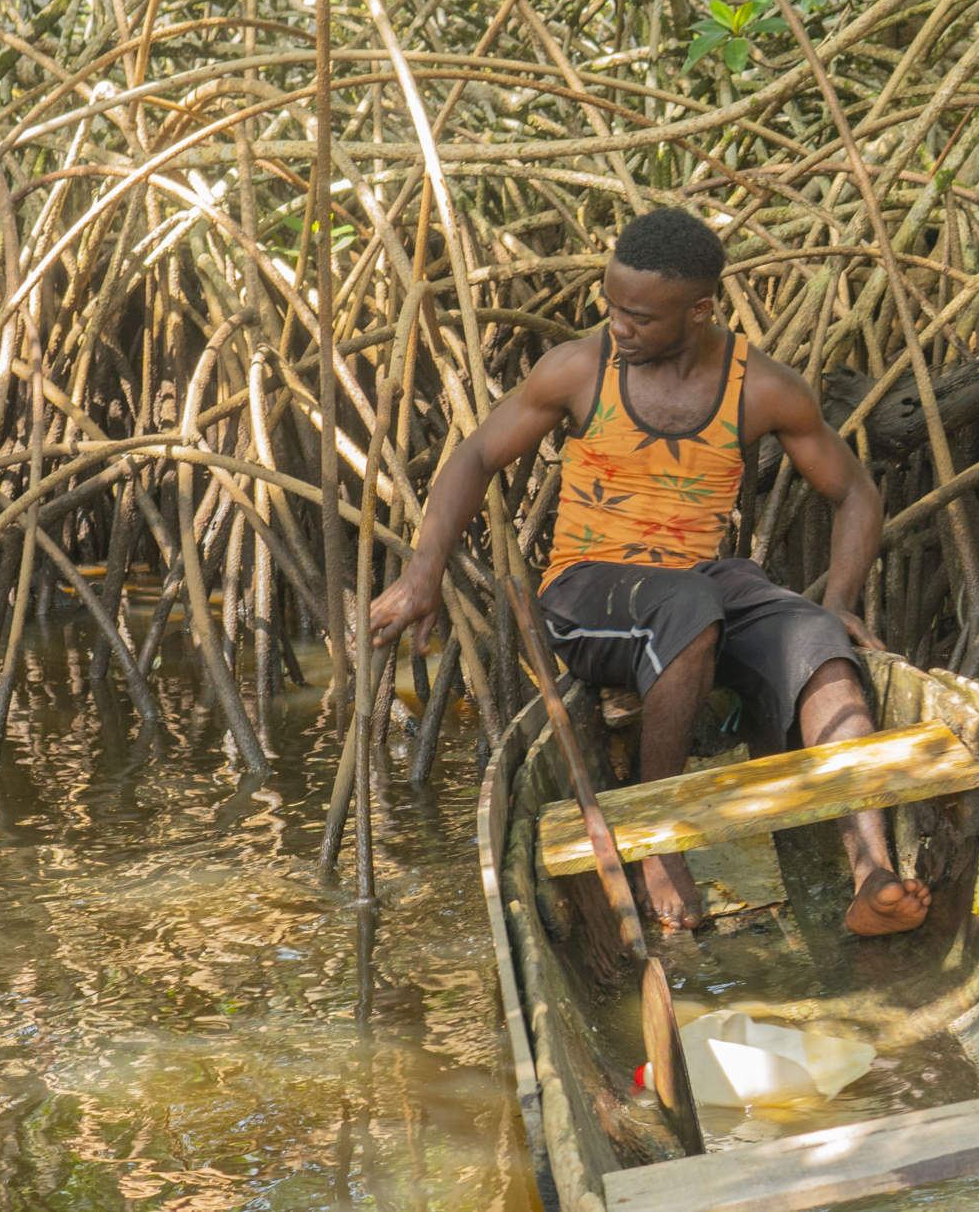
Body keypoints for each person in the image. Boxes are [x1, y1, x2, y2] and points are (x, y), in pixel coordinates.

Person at [367, 207, 931, 937]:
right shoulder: (580, 367)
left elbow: (854, 491)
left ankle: (872, 874)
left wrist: (844, 598)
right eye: (612, 306)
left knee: (819, 639)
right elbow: (475, 456)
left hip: (700, 587)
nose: (618, 326)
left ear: (699, 310)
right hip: (587, 591)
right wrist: (422, 574)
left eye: (638, 316)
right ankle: (658, 847)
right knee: (688, 605)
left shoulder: (761, 387)